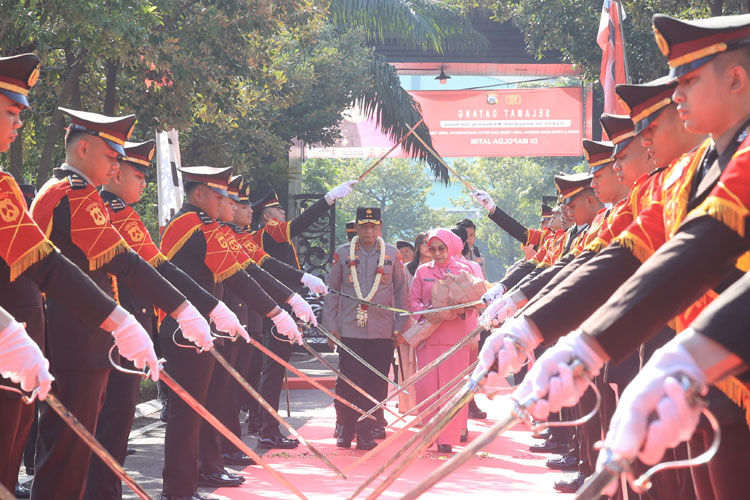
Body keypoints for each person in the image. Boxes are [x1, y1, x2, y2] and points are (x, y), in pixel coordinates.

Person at [29, 108, 216, 500]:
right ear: (83, 148)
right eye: (112, 157)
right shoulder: (73, 193)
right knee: (66, 462)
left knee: (77, 458)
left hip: (83, 341)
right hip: (75, 342)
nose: (116, 167)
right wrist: (182, 309)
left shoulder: (73, 192)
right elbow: (123, 261)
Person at [90, 141, 246, 499]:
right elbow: (156, 269)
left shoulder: (125, 213)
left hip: (139, 326)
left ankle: (177, 482)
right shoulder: (112, 211)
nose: (143, 183)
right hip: (118, 329)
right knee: (108, 424)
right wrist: (192, 308)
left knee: (119, 423)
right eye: (136, 174)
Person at [157, 165, 305, 499]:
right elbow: (238, 275)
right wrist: (278, 311)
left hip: (201, 327)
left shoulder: (199, 225)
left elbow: (244, 269)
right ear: (199, 195)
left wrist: (286, 302)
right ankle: (178, 488)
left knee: (202, 408)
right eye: (220, 196)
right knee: (188, 413)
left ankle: (193, 478)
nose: (226, 203)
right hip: (188, 330)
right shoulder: (193, 225)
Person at [251, 180, 355, 449]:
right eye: (279, 210)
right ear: (267, 216)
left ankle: (262, 423)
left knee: (273, 369)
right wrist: (328, 199)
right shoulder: (270, 231)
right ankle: (267, 429)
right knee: (273, 370)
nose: (284, 215)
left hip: (282, 302)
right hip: (277, 304)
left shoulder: (271, 235)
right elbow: (300, 225)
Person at [322, 207, 407, 449]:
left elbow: (402, 292)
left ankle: (367, 429)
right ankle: (345, 428)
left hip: (382, 329)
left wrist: (401, 326)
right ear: (357, 228)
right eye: (364, 226)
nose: (369, 231)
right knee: (350, 380)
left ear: (380, 228)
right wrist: (331, 326)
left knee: (377, 383)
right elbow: (333, 292)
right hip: (350, 329)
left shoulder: (391, 254)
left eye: (373, 226)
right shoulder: (343, 253)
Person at [409, 228, 479, 452]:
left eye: (441, 248)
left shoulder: (464, 270)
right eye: (432, 249)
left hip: (455, 338)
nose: (437, 253)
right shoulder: (421, 271)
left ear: (450, 248)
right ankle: (430, 432)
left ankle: (447, 439)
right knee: (427, 388)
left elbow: (474, 304)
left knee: (452, 389)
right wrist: (426, 312)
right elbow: (413, 301)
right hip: (428, 337)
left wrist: (461, 313)